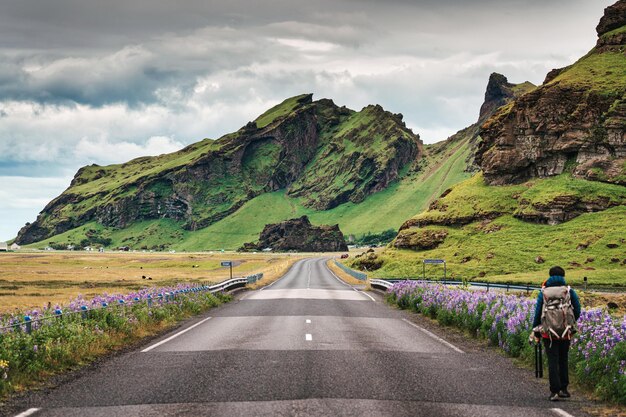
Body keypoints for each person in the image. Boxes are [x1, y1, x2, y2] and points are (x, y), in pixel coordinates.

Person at [531, 266, 581, 401]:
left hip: (548, 333)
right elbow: (578, 309)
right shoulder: (569, 291)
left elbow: (537, 313)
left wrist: (535, 329)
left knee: (552, 360)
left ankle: (554, 391)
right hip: (566, 331)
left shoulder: (544, 292)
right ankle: (564, 389)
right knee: (563, 359)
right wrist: (571, 323)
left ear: (550, 276)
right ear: (563, 276)